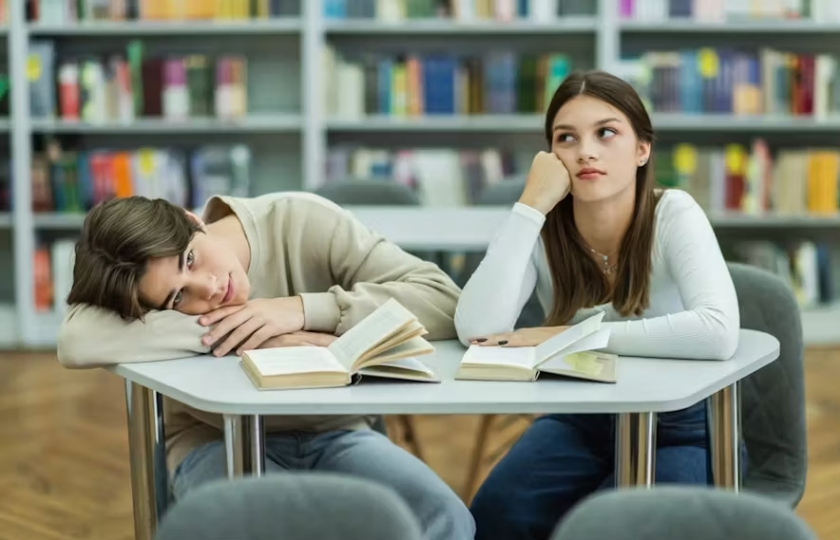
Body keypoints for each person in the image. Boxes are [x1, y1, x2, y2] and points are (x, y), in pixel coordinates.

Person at [56, 191, 475, 540]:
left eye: (190, 260)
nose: (210, 289)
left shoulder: (302, 222)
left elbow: (444, 298)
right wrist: (250, 330)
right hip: (211, 440)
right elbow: (75, 341)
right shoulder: (150, 290)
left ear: (191, 219)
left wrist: (302, 310)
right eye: (178, 300)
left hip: (335, 432)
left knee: (446, 518)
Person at [454, 71, 742, 540]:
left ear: (642, 149)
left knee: (611, 527)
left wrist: (575, 335)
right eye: (566, 138)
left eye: (606, 133)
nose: (586, 151)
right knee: (496, 515)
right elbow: (476, 327)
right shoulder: (542, 227)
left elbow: (717, 331)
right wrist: (530, 204)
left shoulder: (674, 212)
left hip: (679, 426)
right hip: (580, 417)